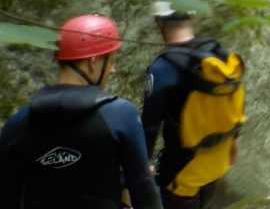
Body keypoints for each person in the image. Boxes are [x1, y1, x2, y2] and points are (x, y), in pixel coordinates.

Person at [0, 13, 163, 209]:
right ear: (93, 62)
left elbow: (6, 196)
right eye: (110, 61)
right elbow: (143, 188)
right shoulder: (120, 115)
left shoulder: (17, 124)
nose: (113, 70)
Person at [142, 0, 243, 209]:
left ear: (159, 22)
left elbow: (149, 128)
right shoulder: (220, 54)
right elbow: (234, 102)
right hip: (217, 164)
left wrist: (140, 173)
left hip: (181, 175)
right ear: (191, 17)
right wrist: (233, 142)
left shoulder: (161, 69)